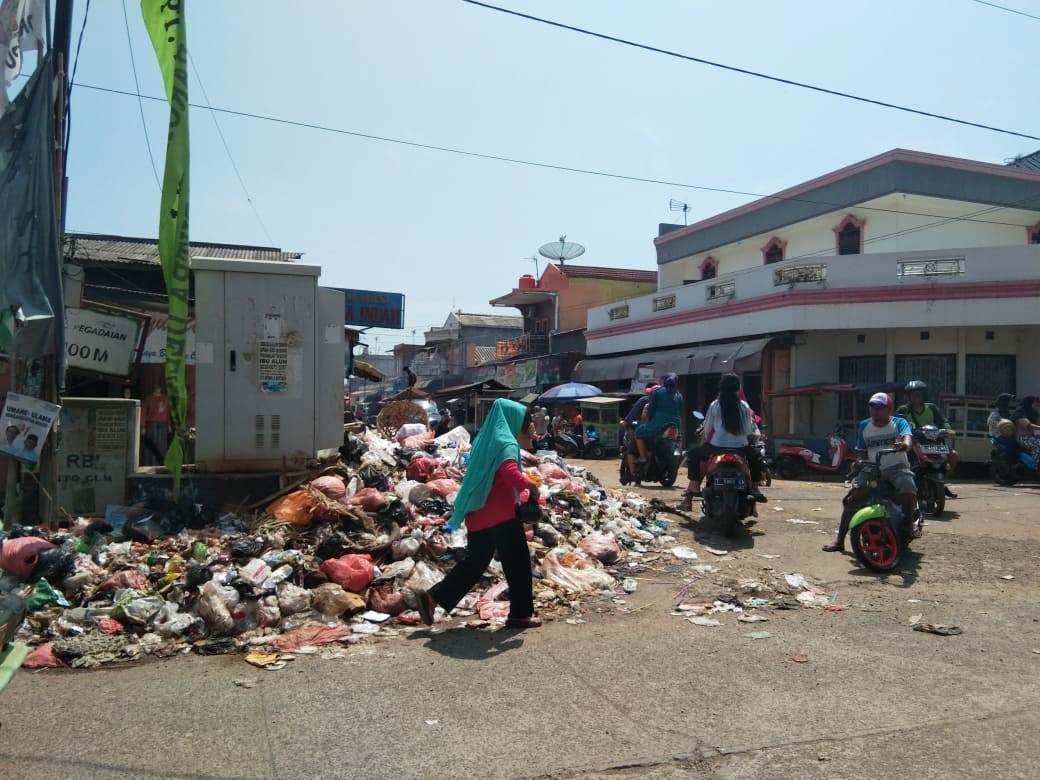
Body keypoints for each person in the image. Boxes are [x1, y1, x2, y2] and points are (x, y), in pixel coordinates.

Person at [413, 399, 541, 629]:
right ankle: (521, 614)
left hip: (477, 513)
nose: (527, 424)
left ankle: (433, 597)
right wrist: (531, 486)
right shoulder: (507, 443)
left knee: (475, 563)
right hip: (501, 517)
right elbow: (510, 472)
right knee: (518, 563)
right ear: (513, 420)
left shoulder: (486, 439)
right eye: (525, 420)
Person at [823, 392, 917, 553]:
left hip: (897, 467)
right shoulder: (864, 425)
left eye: (880, 408)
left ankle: (908, 524)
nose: (875, 411)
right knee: (851, 500)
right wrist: (859, 461)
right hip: (872, 468)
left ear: (889, 409)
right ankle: (839, 541)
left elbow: (907, 437)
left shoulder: (899, 422)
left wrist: (904, 446)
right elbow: (861, 450)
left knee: (908, 486)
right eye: (872, 407)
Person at [680, 373, 766, 509]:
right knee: (757, 457)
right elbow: (749, 430)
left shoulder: (715, 404)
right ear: (738, 388)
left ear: (721, 387)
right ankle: (755, 488)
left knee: (693, 455)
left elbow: (708, 428)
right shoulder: (743, 406)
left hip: (717, 445)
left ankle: (695, 485)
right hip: (741, 447)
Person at [895, 380, 958, 496]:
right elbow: (895, 424)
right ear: (908, 396)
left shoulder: (932, 408)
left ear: (924, 395)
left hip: (933, 443)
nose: (916, 396)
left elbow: (943, 421)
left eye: (918, 393)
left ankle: (942, 481)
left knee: (953, 455)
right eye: (912, 394)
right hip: (914, 444)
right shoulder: (903, 410)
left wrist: (948, 429)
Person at [635, 374, 683, 464]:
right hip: (676, 425)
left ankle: (642, 457)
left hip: (658, 424)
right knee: (678, 439)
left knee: (638, 432)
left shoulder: (658, 392)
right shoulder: (679, 395)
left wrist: (649, 420)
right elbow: (680, 412)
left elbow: (651, 409)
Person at [621, 384, 658, 477]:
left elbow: (632, 417)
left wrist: (624, 423)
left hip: (646, 431)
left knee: (631, 451)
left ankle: (634, 474)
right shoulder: (667, 402)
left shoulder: (645, 401)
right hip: (662, 432)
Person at [1011, 395, 1040, 461]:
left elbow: (1038, 427)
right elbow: (1030, 426)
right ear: (1029, 403)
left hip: (1033, 435)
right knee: (1038, 445)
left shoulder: (1033, 413)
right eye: (1034, 402)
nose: (1036, 405)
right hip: (1023, 437)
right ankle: (1036, 466)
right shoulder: (1020, 413)